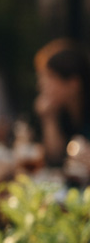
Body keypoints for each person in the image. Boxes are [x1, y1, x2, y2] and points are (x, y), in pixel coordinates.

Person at [33, 39, 90, 167]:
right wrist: (49, 119)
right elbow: (55, 159)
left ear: (74, 84)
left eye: (51, 77)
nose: (42, 85)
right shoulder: (61, 113)